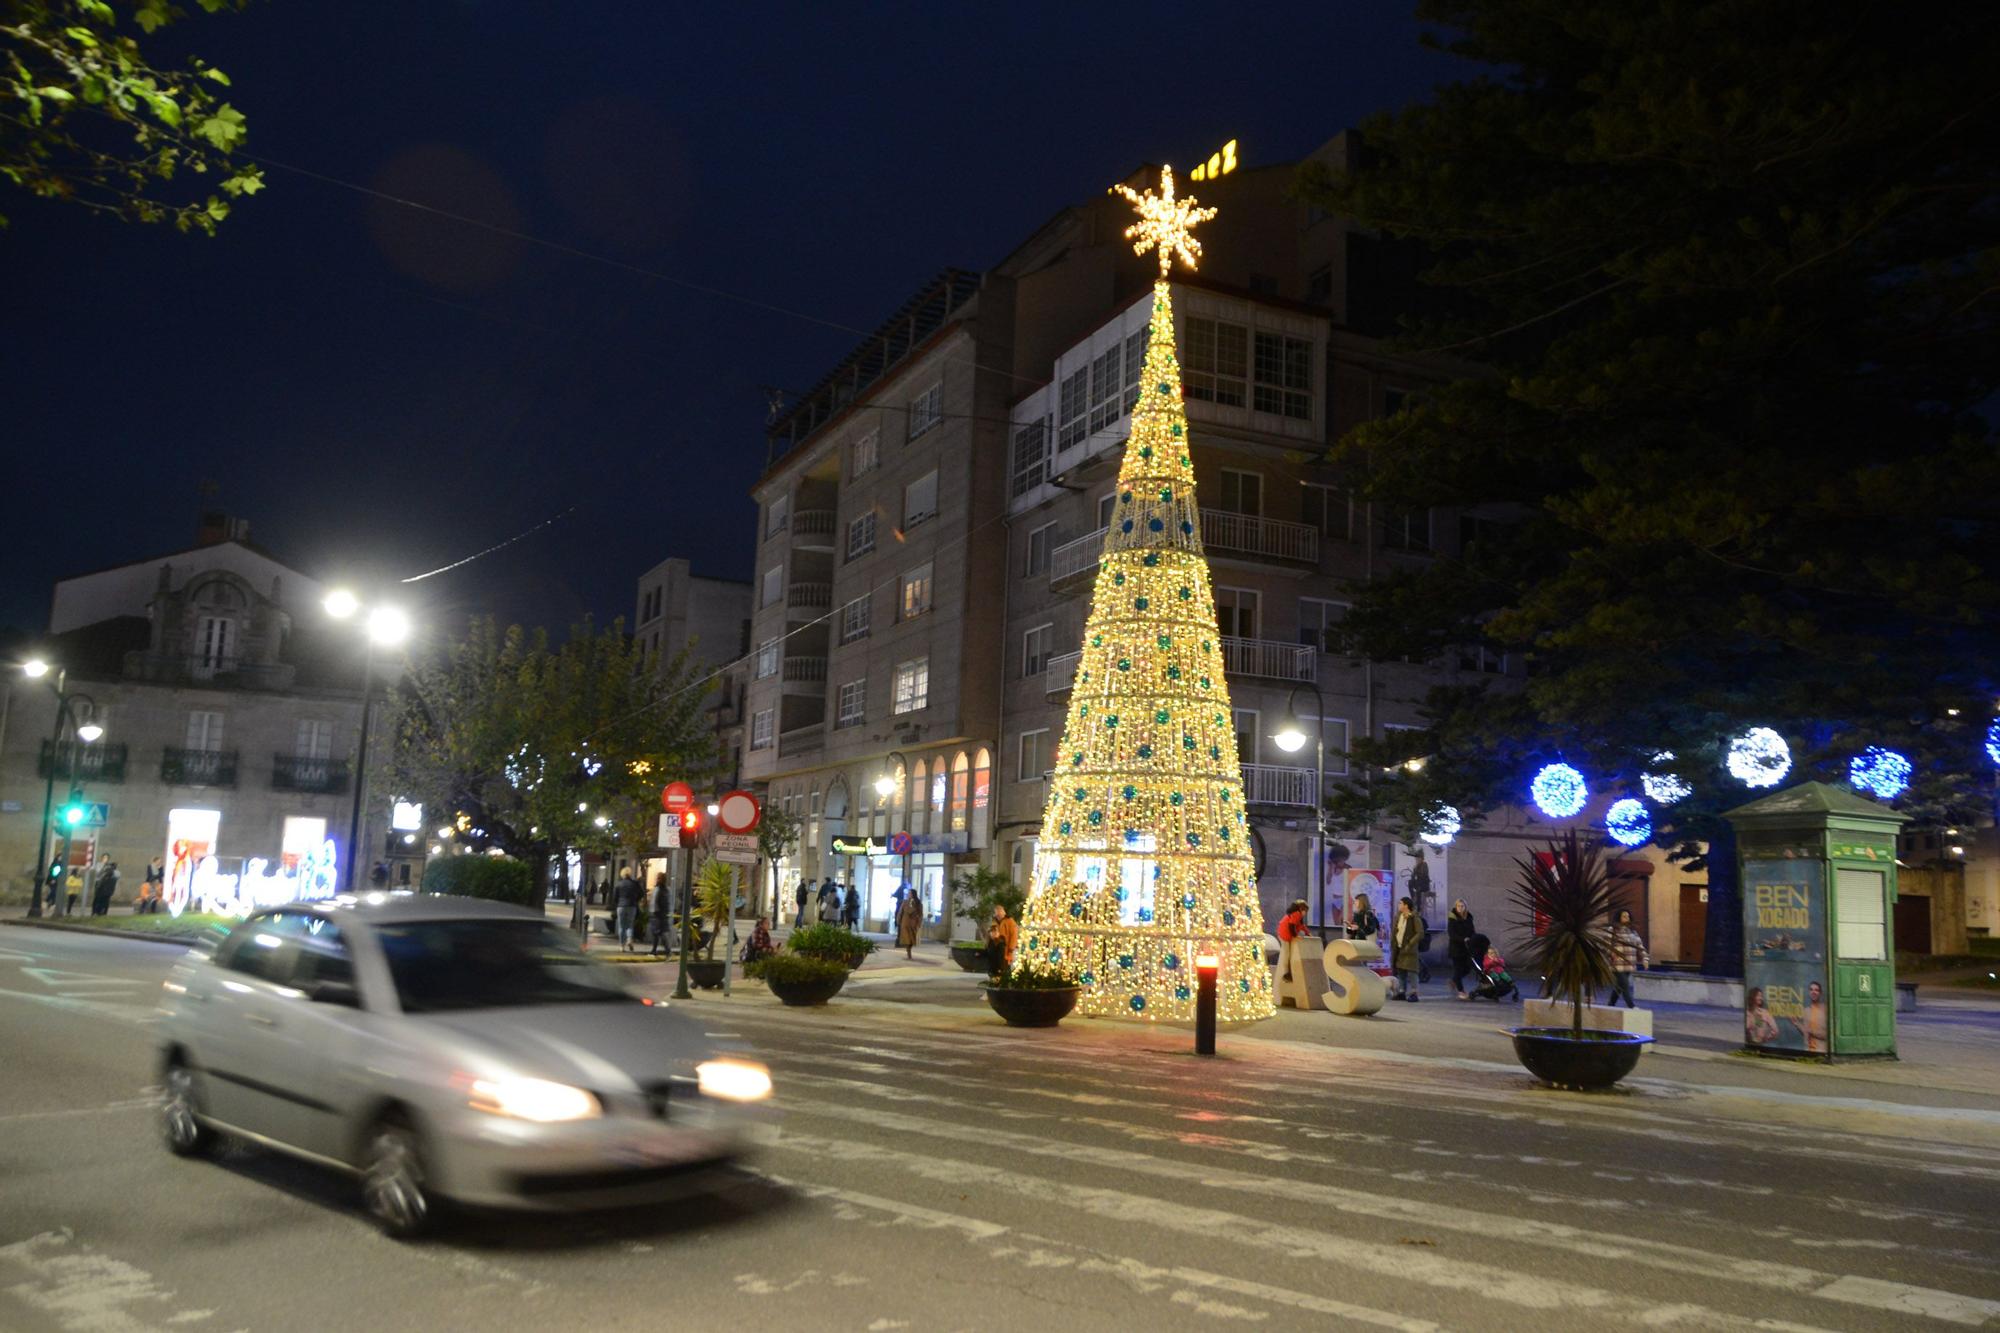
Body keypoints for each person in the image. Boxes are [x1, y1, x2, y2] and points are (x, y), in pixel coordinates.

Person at [1606, 908, 1648, 1008]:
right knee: (1625, 985)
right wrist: (1611, 953)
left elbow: (1640, 946)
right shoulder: (1612, 930)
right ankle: (1631, 1006)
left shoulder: (1633, 932)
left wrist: (1645, 959)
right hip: (1617, 964)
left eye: (1628, 916)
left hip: (1629, 964)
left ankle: (1611, 1004)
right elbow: (1606, 945)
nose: (1627, 918)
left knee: (1619, 986)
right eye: (1624, 916)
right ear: (1619, 918)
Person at [1391, 896, 1422, 1001]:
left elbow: (1420, 933)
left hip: (1409, 949)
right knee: (1400, 970)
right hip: (1399, 947)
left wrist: (1410, 943)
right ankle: (1401, 991)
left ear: (1406, 905)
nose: (1399, 905)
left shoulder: (1414, 917)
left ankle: (1414, 993)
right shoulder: (1398, 916)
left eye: (1400, 903)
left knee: (1412, 971)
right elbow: (1396, 931)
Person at [1446, 898, 1476, 999]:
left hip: (1467, 948)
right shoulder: (1452, 918)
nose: (1460, 908)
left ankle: (1454, 980)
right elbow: (1451, 934)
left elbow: (1472, 931)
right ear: (1456, 906)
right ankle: (1461, 991)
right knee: (1458, 969)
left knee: (1468, 968)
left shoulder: (1469, 917)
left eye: (1462, 906)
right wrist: (1463, 939)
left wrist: (1473, 939)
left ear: (1465, 907)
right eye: (1458, 906)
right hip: (1456, 948)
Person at [1276, 898, 1309, 982]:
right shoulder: (1297, 914)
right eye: (1305, 910)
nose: (1305, 913)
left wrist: (1307, 933)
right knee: (1286, 953)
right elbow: (1291, 926)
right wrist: (1295, 935)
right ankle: (1286, 973)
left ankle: (1287, 971)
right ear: (1301, 909)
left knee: (1287, 953)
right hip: (1285, 935)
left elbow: (1301, 926)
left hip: (1284, 934)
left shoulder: (1297, 915)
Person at [611, 866, 643, 952]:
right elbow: (641, 893)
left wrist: (617, 903)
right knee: (630, 925)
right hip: (632, 906)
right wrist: (636, 900)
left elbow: (615, 897)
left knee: (621, 926)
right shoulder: (634, 884)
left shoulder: (619, 884)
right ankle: (629, 939)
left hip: (621, 906)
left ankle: (622, 946)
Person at [987, 903, 1019, 971]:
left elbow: (1014, 936)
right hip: (995, 949)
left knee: (1004, 967)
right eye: (996, 914)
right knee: (996, 966)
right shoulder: (994, 921)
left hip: (1006, 950)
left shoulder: (1010, 921)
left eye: (998, 914)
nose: (997, 915)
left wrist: (1010, 950)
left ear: (1003, 912)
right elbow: (990, 933)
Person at [895, 885, 923, 960]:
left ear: (913, 894)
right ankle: (909, 953)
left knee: (911, 939)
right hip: (905, 922)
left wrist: (919, 923)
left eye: (910, 893)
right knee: (906, 938)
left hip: (913, 923)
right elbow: (900, 912)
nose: (908, 894)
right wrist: (898, 920)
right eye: (908, 893)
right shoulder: (905, 902)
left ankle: (909, 951)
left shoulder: (918, 903)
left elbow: (920, 914)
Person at [1804, 980, 1828, 1053]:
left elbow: (1828, 1035)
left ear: (1820, 993)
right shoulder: (1807, 1010)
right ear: (1809, 992)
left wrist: (1812, 1032)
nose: (1813, 992)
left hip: (1821, 1050)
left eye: (1816, 990)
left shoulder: (1825, 1009)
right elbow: (1806, 1032)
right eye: (1811, 990)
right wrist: (1796, 1024)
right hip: (1809, 1050)